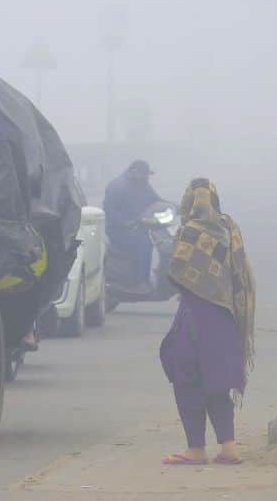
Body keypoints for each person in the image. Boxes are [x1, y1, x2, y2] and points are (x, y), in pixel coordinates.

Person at [160, 178, 255, 465]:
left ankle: (196, 449)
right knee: (218, 380)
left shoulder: (190, 230)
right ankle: (228, 447)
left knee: (186, 377)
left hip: (194, 317)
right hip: (225, 317)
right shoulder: (229, 228)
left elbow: (177, 273)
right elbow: (239, 272)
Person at [103, 160, 161, 293]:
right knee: (143, 243)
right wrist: (125, 222)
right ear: (133, 172)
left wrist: (179, 208)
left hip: (136, 227)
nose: (146, 177)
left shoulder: (143, 185)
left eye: (147, 175)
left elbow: (156, 200)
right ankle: (140, 282)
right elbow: (110, 210)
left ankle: (144, 279)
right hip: (117, 231)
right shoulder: (117, 186)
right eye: (144, 174)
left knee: (149, 239)